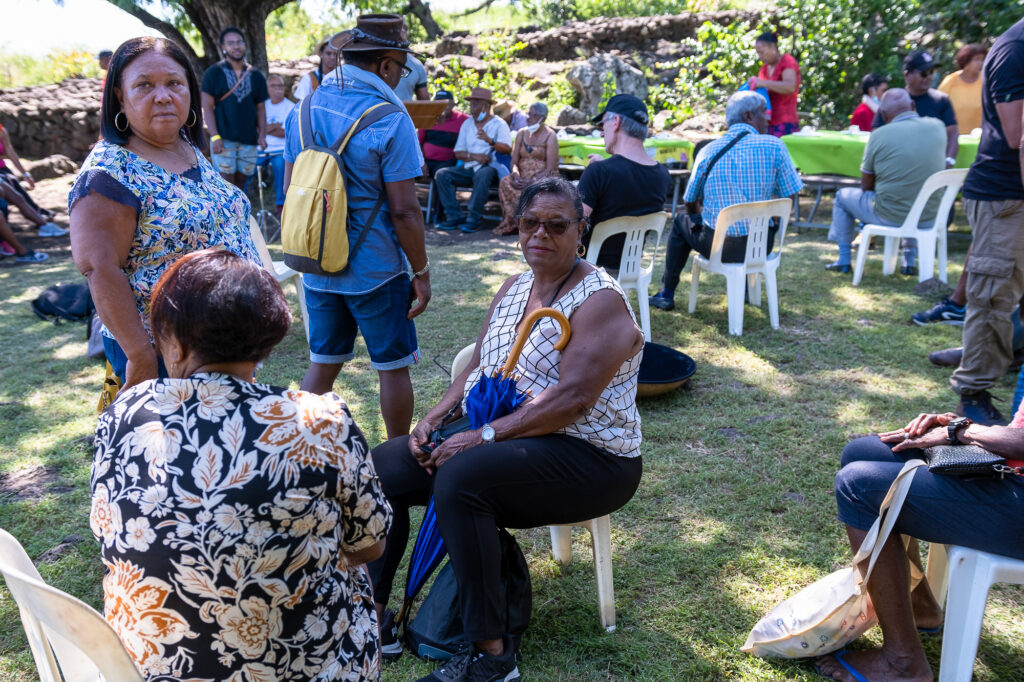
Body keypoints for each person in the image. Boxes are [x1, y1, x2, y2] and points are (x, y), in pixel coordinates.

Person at [367, 177, 644, 681]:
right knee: (382, 466)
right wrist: (437, 416)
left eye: (557, 225)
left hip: (593, 457)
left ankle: (492, 657)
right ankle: (373, 616)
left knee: (461, 478)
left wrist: (482, 436)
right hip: (516, 440)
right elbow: (479, 368)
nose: (540, 234)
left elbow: (573, 400)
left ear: (580, 231)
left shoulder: (600, 299)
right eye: (530, 223)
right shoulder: (516, 286)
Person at [90, 249, 393, 681]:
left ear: (173, 340)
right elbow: (369, 546)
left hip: (150, 668)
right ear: (268, 337)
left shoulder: (125, 412)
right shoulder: (320, 420)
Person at [69, 36, 261, 391]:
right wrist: (140, 357)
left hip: (223, 344)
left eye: (174, 83)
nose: (163, 96)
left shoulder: (186, 145)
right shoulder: (109, 173)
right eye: (144, 85)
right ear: (119, 98)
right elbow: (99, 268)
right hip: (167, 355)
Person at [283, 14, 431, 439]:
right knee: (393, 368)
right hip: (376, 269)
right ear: (386, 66)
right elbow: (404, 211)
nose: (402, 78)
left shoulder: (302, 109)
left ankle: (294, 454)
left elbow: (295, 189)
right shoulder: (389, 117)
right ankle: (397, 461)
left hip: (316, 265)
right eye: (402, 69)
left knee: (323, 366)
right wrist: (420, 272)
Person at [816, 411, 1024, 682]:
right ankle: (920, 607)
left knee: (858, 487)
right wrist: (961, 428)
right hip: (1011, 469)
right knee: (860, 452)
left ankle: (903, 664)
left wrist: (961, 432)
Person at [649, 91, 802, 312]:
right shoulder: (775, 146)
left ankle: (667, 292)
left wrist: (701, 214)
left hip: (718, 247)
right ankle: (748, 287)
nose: (769, 118)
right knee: (762, 222)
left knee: (682, 219)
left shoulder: (708, 151)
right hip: (761, 247)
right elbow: (790, 197)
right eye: (763, 112)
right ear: (749, 116)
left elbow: (689, 200)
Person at [948, 18, 1024, 425]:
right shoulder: (1016, 48)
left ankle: (1011, 360)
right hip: (1004, 197)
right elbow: (1019, 134)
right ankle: (973, 392)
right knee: (993, 297)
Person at [823, 89, 946, 275]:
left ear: (884, 114)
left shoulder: (879, 135)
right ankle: (908, 262)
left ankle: (844, 259)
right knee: (914, 193)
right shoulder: (938, 126)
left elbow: (866, 185)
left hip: (890, 216)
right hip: (930, 216)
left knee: (841, 196)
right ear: (913, 106)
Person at [578, 93, 671, 268]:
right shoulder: (662, 175)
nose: (601, 131)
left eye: (603, 123)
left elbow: (574, 224)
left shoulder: (599, 172)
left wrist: (594, 173)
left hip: (588, 268)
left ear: (616, 122)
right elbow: (628, 179)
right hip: (630, 268)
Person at [434, 86, 512, 233]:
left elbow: (506, 148)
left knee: (483, 174)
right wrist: (473, 156)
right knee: (442, 174)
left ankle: (473, 219)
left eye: (475, 104)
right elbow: (458, 152)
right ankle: (454, 216)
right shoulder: (468, 124)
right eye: (471, 104)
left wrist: (491, 141)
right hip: (470, 166)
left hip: (491, 168)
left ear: (486, 106)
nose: (471, 107)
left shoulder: (499, 124)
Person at [201, 27, 269, 189]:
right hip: (224, 140)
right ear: (223, 47)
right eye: (230, 43)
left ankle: (240, 214)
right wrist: (215, 136)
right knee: (226, 184)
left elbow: (261, 108)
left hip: (249, 140)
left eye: (239, 42)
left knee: (241, 184)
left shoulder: (256, 76)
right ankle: (230, 214)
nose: (236, 46)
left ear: (245, 45)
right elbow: (207, 106)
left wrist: (262, 135)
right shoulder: (213, 73)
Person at [872, 51, 959, 167]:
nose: (929, 77)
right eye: (924, 73)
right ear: (907, 75)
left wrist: (949, 161)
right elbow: (877, 134)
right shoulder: (892, 100)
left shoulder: (941, 100)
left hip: (932, 168)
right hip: (900, 168)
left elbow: (953, 133)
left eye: (931, 72)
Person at [494, 102, 558, 235]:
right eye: (528, 114)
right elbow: (514, 161)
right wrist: (515, 174)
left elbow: (551, 168)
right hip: (522, 176)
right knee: (505, 182)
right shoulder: (521, 133)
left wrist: (533, 180)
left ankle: (531, 225)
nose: (528, 118)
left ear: (543, 118)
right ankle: (512, 223)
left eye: (533, 115)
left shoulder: (551, 136)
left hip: (542, 176)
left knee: (537, 188)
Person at [0, 123, 64, 236]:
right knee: (12, 193)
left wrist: (25, 175)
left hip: (3, 170)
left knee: (15, 188)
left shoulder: (1, 130)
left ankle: (41, 220)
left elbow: (10, 153)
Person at [750, 32, 800, 137]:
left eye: (762, 52)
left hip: (785, 123)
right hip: (767, 123)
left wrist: (762, 82)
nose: (760, 56)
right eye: (758, 53)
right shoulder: (764, 68)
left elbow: (790, 87)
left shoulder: (787, 61)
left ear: (773, 47)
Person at [260, 74, 293, 216]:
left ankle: (281, 204)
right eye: (274, 86)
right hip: (261, 149)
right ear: (267, 89)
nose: (278, 89)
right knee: (245, 165)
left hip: (281, 150)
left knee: (281, 166)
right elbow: (256, 130)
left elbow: (286, 133)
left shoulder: (291, 107)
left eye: (280, 86)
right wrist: (275, 126)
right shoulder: (262, 106)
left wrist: (266, 128)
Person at [417, 89, 468, 177]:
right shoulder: (427, 117)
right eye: (439, 103)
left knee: (441, 174)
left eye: (446, 103)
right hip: (426, 161)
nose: (443, 106)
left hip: (448, 163)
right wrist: (422, 163)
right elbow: (418, 143)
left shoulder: (463, 119)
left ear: (452, 104)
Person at [939, 44, 988, 134]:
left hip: (979, 136)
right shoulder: (951, 80)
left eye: (982, 59)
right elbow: (938, 105)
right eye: (976, 59)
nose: (980, 63)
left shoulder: (985, 80)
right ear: (965, 61)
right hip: (953, 136)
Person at [291, 37, 339, 101]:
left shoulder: (342, 78)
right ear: (321, 54)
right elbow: (301, 104)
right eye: (328, 53)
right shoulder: (310, 78)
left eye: (335, 54)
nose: (332, 57)